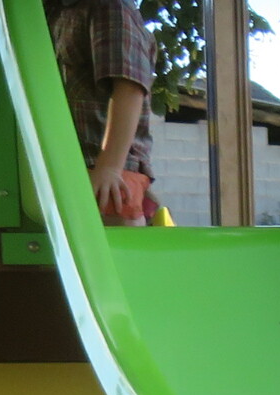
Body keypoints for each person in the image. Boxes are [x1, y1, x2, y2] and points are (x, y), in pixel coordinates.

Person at [45, 0, 162, 226]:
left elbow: (129, 87)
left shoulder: (109, 6)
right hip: (74, 164)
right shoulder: (55, 11)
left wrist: (110, 167)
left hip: (105, 171)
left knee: (110, 241)